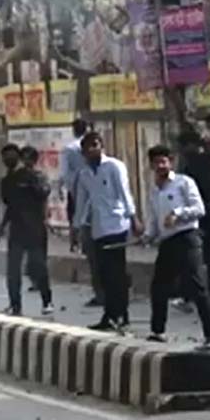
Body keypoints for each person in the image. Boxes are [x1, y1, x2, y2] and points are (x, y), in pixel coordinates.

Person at [144, 145, 210, 349]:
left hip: (187, 237)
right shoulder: (154, 190)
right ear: (151, 165)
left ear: (171, 162)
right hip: (167, 241)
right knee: (159, 287)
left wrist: (177, 214)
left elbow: (199, 209)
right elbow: (154, 218)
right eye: (156, 162)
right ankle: (157, 331)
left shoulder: (184, 182)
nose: (160, 166)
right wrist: (148, 235)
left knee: (198, 286)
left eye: (164, 161)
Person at [75, 132, 142, 332]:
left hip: (117, 224)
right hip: (98, 228)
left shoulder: (114, 166)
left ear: (101, 146)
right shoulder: (84, 174)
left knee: (116, 273)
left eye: (95, 145)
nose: (92, 149)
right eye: (88, 147)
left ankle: (120, 314)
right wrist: (77, 227)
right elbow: (82, 202)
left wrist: (133, 218)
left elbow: (124, 192)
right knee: (103, 274)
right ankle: (111, 314)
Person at [0, 144, 53, 316]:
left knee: (39, 266)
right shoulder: (8, 180)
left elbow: (44, 192)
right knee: (13, 270)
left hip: (35, 228)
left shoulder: (36, 176)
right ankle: (15, 305)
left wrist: (31, 181)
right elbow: (9, 203)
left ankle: (47, 300)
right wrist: (3, 225)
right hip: (17, 229)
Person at [61, 118, 103, 306]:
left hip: (86, 205)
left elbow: (66, 176)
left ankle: (104, 293)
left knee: (95, 254)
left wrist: (73, 191)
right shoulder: (103, 167)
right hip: (97, 211)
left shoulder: (70, 150)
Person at [178, 129, 210, 302]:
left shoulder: (196, 163)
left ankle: (197, 294)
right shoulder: (203, 161)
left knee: (200, 257)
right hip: (204, 213)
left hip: (201, 215)